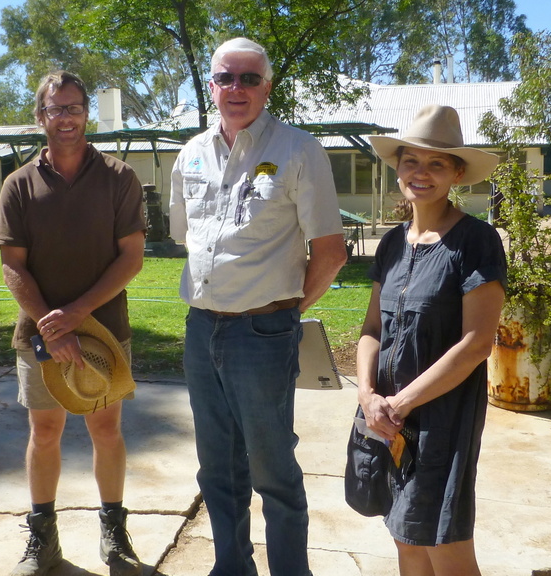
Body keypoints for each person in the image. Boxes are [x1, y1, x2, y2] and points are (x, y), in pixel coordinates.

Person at [168, 37, 347, 576]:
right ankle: (232, 567)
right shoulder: (190, 153)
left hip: (263, 333)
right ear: (212, 86)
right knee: (217, 467)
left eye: (250, 79)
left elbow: (331, 252)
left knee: (272, 469)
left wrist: (285, 309)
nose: (237, 88)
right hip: (201, 330)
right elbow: (187, 236)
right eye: (227, 77)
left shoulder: (298, 150)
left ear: (267, 87)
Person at [0, 70, 146, 576]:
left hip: (105, 329)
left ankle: (114, 531)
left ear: (86, 114)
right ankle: (43, 539)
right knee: (45, 429)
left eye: (75, 107)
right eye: (56, 109)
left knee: (106, 427)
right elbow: (12, 264)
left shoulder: (119, 178)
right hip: (38, 335)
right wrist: (51, 327)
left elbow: (131, 258)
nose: (66, 118)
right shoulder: (18, 183)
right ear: (41, 118)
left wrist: (78, 314)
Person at [357, 104, 506, 575]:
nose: (421, 173)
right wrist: (367, 396)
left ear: (457, 173)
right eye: (411, 161)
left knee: (445, 545)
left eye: (436, 163)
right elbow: (371, 329)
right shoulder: (392, 243)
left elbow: (477, 343)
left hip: (442, 417)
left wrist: (400, 403)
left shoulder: (476, 241)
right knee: (404, 537)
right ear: (398, 167)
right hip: (385, 416)